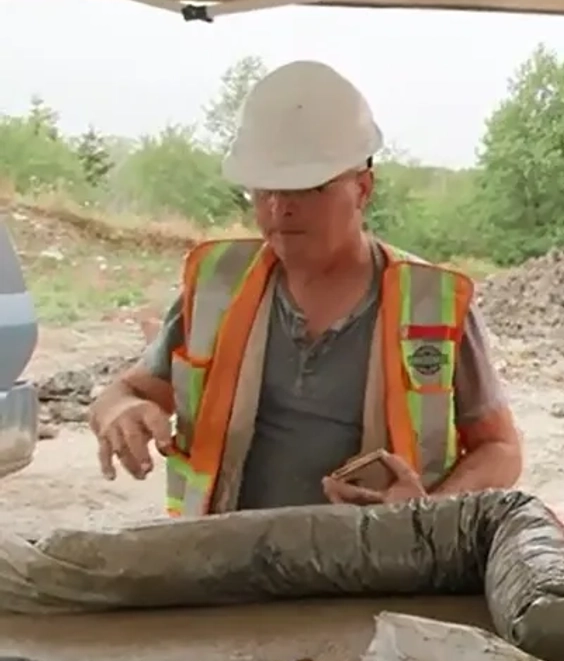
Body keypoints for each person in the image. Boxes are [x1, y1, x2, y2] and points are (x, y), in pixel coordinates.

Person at [88, 60, 523, 516]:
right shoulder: (218, 285)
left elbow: (501, 450)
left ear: (363, 188)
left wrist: (429, 510)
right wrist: (119, 413)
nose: (279, 209)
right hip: (228, 567)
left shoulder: (432, 305)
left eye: (306, 189)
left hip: (374, 573)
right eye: (264, 190)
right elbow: (124, 393)